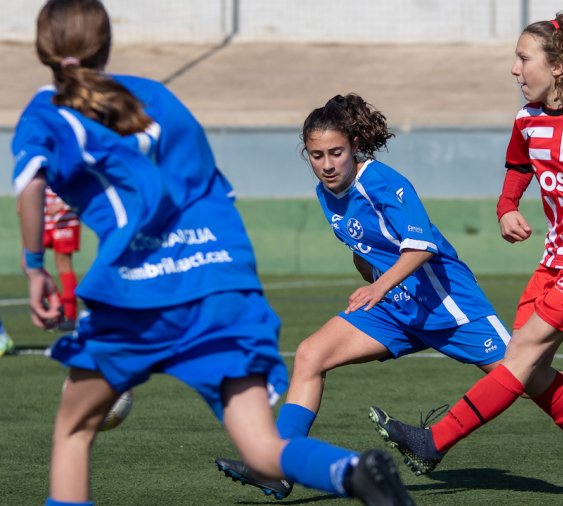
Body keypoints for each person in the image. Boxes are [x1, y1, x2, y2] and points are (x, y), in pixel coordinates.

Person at [13, 2, 414, 505]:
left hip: (140, 289)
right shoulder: (159, 98)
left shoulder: (45, 110)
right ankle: (352, 469)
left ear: (42, 48)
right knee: (263, 444)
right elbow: (208, 190)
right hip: (220, 281)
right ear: (107, 43)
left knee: (72, 430)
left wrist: (34, 268)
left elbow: (31, 189)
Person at [214, 92, 563, 503]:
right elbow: (366, 250)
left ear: (354, 146)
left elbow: (420, 245)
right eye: (317, 156)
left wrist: (378, 284)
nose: (328, 164)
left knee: (533, 379)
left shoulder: (384, 183)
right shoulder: (326, 192)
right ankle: (275, 466)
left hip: (449, 307)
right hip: (395, 310)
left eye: (336, 152)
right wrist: (375, 280)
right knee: (311, 354)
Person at [369, 12, 563, 506]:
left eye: (523, 57)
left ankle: (435, 442)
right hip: (557, 258)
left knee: (522, 352)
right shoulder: (527, 120)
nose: (514, 69)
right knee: (527, 372)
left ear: (558, 66)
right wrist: (506, 207)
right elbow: (517, 166)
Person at [43, 186, 81, 331]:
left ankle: (69, 314)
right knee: (30, 262)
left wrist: (64, 204)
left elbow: (82, 181)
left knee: (63, 263)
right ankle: (57, 305)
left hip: (65, 218)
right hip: (42, 217)